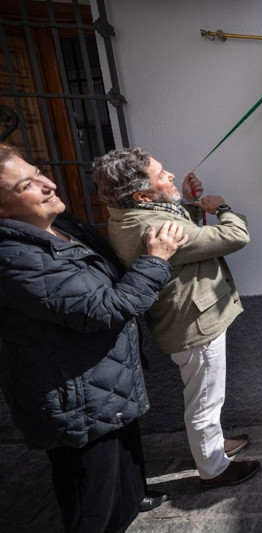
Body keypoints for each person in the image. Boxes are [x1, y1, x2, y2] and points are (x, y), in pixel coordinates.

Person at [0, 143, 187, 532]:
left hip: (105, 376)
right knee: (93, 499)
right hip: (74, 393)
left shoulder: (65, 226)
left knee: (125, 460)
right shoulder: (14, 257)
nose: (49, 184)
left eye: (39, 173)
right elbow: (104, 309)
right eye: (26, 187)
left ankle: (133, 500)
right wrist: (156, 260)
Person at [92, 148, 261, 490]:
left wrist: (185, 200)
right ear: (142, 194)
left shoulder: (130, 213)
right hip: (194, 325)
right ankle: (214, 469)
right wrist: (221, 209)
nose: (169, 174)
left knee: (205, 396)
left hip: (186, 319)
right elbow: (234, 237)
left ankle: (212, 448)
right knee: (204, 400)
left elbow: (177, 233)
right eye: (161, 174)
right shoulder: (153, 228)